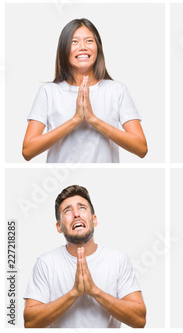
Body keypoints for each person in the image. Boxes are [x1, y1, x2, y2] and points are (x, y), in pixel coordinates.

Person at [22, 18, 147, 162]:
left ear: (98, 47)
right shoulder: (48, 91)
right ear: (64, 48)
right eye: (74, 41)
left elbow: (141, 148)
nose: (82, 47)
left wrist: (93, 120)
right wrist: (75, 120)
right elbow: (28, 151)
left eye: (89, 41)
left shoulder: (117, 90)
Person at [24, 185, 146, 328]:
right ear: (59, 226)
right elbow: (30, 322)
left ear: (94, 220)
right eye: (67, 210)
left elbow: (139, 319)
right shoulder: (45, 263)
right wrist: (74, 293)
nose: (76, 214)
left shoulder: (118, 259)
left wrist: (95, 291)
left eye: (82, 207)